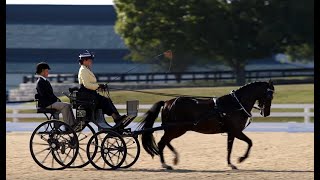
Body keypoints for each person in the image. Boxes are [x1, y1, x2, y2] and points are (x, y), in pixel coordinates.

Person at [77, 50, 127, 127]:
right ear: (84, 61)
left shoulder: (86, 69)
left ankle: (116, 117)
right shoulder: (83, 70)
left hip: (90, 93)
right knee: (105, 101)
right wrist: (98, 86)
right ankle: (116, 118)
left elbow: (91, 84)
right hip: (87, 95)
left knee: (107, 100)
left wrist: (99, 87)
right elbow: (86, 85)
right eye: (90, 60)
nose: (91, 62)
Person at [35, 62, 78, 127]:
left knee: (68, 105)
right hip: (47, 104)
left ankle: (72, 123)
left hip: (49, 102)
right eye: (47, 71)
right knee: (65, 106)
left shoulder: (44, 81)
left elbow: (50, 94)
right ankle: (68, 125)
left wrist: (57, 99)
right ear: (42, 71)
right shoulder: (40, 82)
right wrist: (55, 99)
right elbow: (45, 95)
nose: (48, 73)